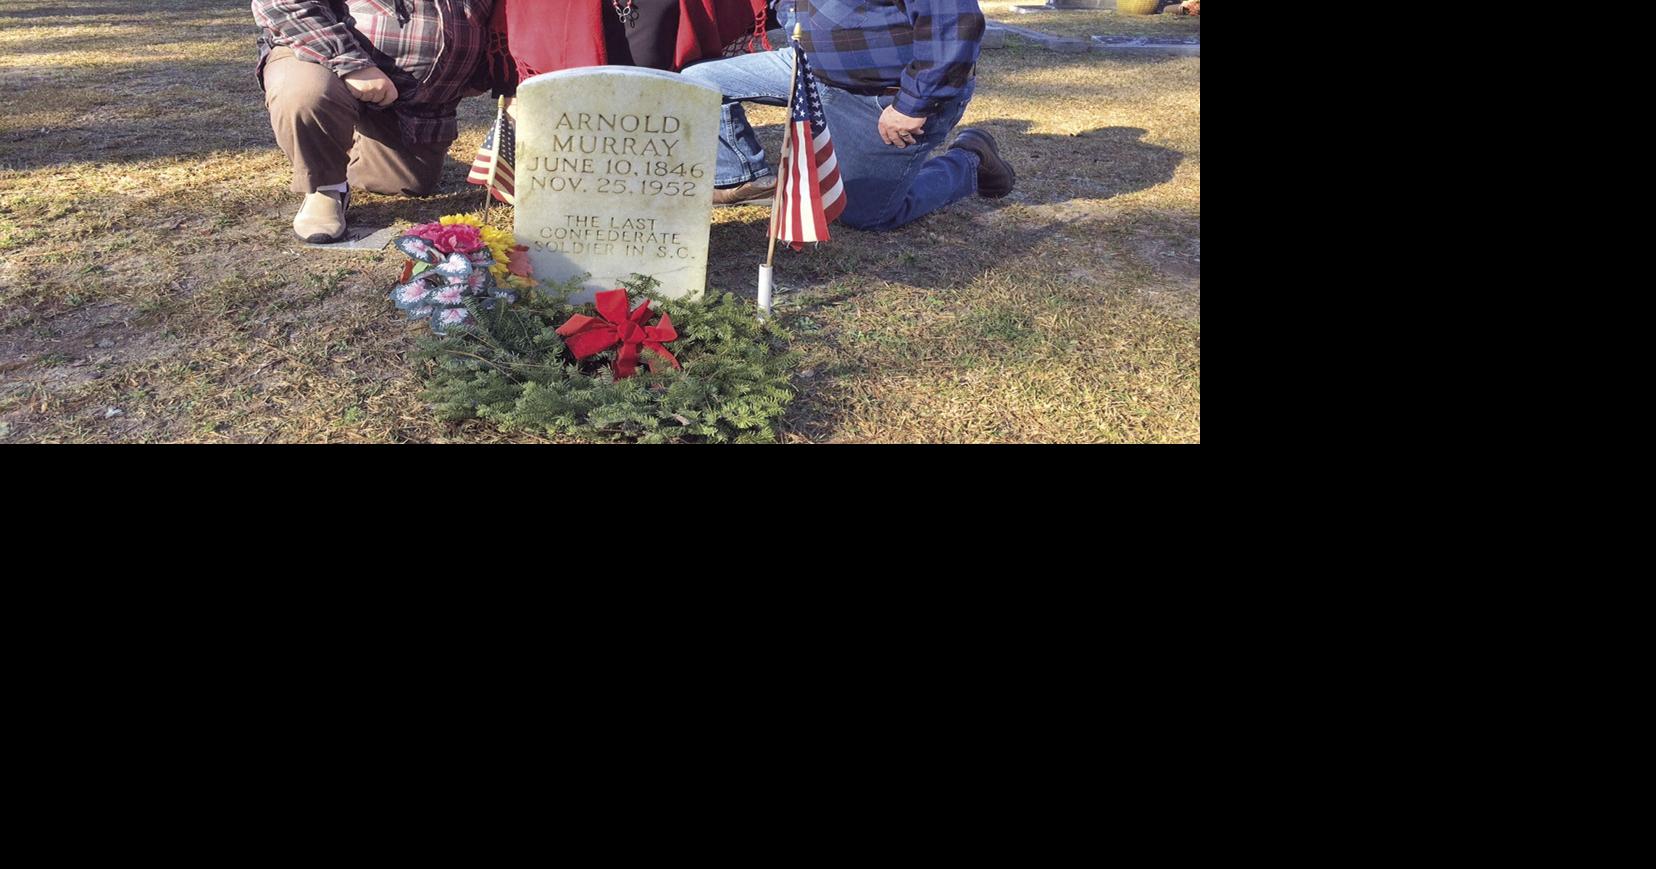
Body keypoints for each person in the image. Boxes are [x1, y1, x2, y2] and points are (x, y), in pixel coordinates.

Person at [680, 0, 1014, 230]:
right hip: (808, 68)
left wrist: (913, 104)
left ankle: (969, 159)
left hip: (889, 96)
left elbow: (955, 24)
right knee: (701, 81)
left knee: (863, 215)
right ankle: (741, 178)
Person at [253, 1, 497, 243]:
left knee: (407, 183)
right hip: (325, 60)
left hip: (413, 104)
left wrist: (482, 72)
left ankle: (347, 138)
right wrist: (352, 65)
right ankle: (325, 186)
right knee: (307, 92)